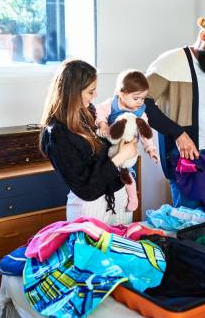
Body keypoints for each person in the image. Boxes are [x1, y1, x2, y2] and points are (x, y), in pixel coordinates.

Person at [144, 10, 205, 208]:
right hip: (184, 159)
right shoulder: (170, 62)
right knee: (189, 225)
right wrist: (178, 133)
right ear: (203, 35)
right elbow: (141, 102)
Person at [39, 59, 138, 224]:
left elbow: (104, 150)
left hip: (118, 198)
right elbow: (87, 189)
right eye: (91, 92)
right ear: (73, 92)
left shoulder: (89, 113)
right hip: (91, 208)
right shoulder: (57, 134)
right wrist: (120, 157)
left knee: (123, 247)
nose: (95, 96)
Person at [95, 69, 160, 212]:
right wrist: (103, 124)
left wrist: (151, 149)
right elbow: (99, 111)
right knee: (105, 167)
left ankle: (133, 198)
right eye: (136, 98)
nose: (140, 102)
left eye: (143, 98)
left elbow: (145, 132)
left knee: (127, 173)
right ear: (120, 93)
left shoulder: (140, 112)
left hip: (127, 148)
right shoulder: (112, 104)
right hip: (110, 144)